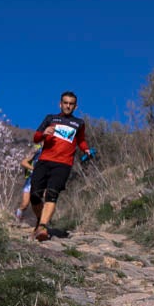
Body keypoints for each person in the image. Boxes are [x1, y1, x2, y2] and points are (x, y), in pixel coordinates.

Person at [29, 91, 94, 241]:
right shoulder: (51, 118)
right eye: (65, 103)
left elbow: (81, 140)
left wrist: (86, 149)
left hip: (63, 164)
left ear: (75, 106)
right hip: (44, 161)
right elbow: (36, 138)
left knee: (52, 194)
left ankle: (43, 227)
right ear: (60, 104)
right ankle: (40, 221)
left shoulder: (79, 123)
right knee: (35, 196)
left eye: (71, 104)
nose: (68, 106)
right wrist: (44, 133)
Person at [14, 142, 43, 223]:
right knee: (25, 204)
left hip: (43, 180)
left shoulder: (51, 150)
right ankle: (17, 219)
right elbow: (24, 162)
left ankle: (41, 221)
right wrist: (34, 169)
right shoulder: (37, 148)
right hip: (30, 180)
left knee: (40, 202)